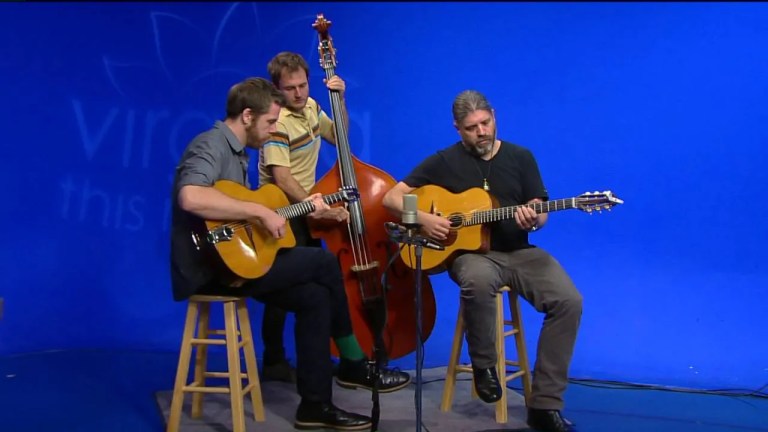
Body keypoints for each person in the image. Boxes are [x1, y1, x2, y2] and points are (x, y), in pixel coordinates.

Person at [169, 77, 405, 430]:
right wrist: (259, 212)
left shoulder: (237, 153)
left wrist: (287, 210)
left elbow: (233, 210)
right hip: (208, 267)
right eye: (268, 123)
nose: (272, 132)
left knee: (313, 298)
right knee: (324, 262)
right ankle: (354, 363)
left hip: (232, 261)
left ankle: (314, 405)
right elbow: (190, 197)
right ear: (247, 116)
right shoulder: (211, 144)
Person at [382, 90, 582, 432]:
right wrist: (423, 220)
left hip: (519, 251)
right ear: (458, 129)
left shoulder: (521, 157)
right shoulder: (443, 161)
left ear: (494, 116)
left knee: (569, 301)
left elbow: (540, 208)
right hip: (472, 256)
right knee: (477, 280)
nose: (482, 132)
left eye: (486, 123)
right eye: (472, 127)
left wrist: (534, 218)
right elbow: (391, 198)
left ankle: (545, 405)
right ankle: (484, 367)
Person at [256, 51, 366, 385]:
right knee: (282, 290)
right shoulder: (278, 124)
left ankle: (336, 361)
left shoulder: (311, 107)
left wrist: (339, 99)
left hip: (306, 207)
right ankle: (275, 361)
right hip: (284, 209)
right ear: (278, 90)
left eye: (302, 85)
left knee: (310, 283)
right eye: (290, 89)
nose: (299, 93)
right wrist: (313, 205)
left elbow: (340, 137)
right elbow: (282, 177)